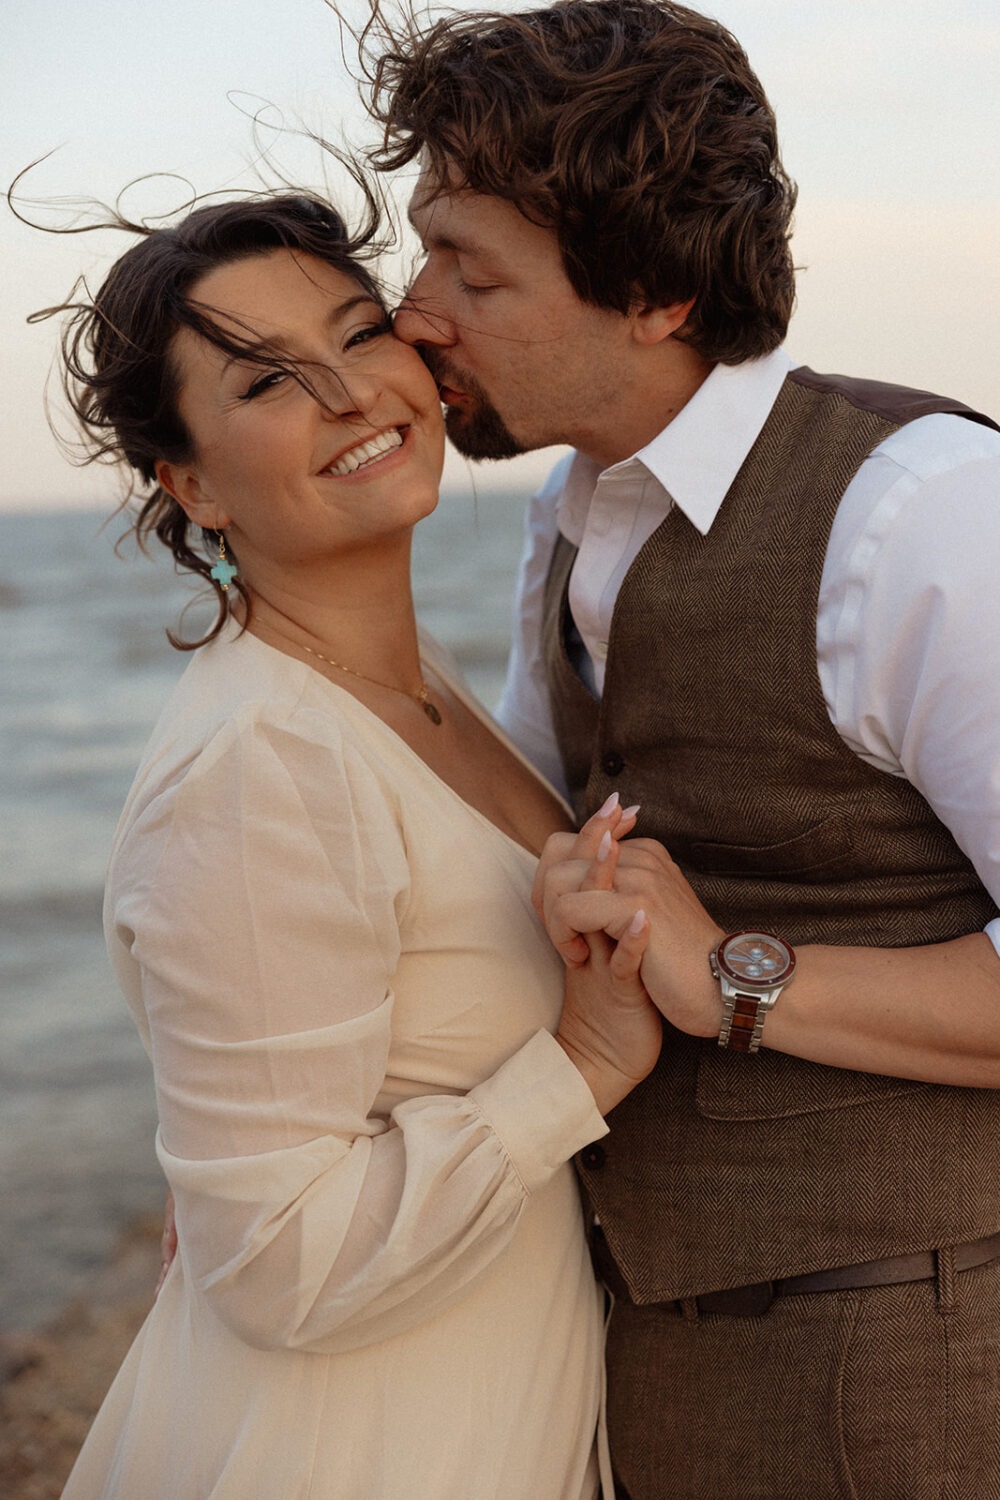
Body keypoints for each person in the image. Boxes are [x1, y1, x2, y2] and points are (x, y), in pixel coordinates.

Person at [359, 1, 1000, 1494]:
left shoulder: (925, 515)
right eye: (423, 247)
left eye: (472, 265)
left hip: (913, 1369)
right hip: (657, 1349)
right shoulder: (572, 512)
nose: (414, 308)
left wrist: (735, 981)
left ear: (651, 291)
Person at [48, 189, 665, 1500]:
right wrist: (580, 1063)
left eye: (358, 331)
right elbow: (274, 1261)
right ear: (191, 484)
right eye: (267, 382)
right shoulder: (259, 768)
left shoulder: (412, 691)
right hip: (347, 1451)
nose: (345, 393)